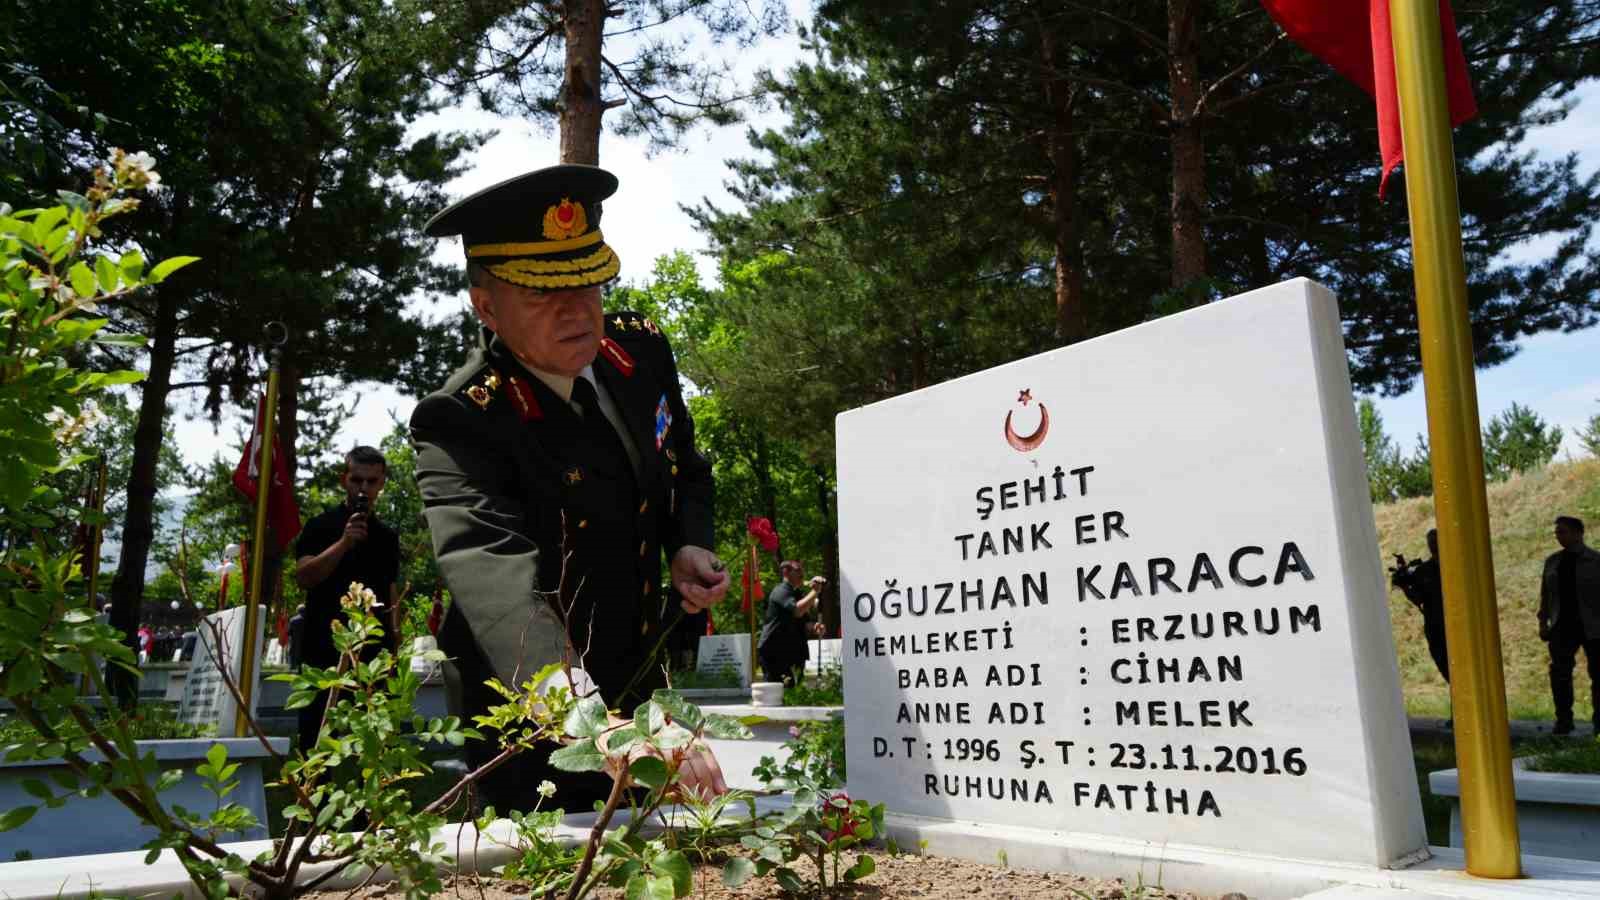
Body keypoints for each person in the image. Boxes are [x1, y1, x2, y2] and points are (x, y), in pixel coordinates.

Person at [411, 164, 731, 812]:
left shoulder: (639, 356)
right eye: (542, 293)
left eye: (588, 282)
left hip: (639, 690)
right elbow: (496, 580)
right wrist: (587, 721)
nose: (577, 310)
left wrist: (687, 544)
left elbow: (685, 468)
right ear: (486, 307)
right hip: (530, 724)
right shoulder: (463, 419)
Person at [292, 446, 402, 752]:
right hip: (323, 650)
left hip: (373, 654)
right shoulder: (319, 526)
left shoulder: (387, 538)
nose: (363, 488)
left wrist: (395, 648)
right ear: (344, 480)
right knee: (317, 739)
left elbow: (391, 595)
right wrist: (343, 542)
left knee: (374, 743)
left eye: (371, 481)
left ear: (381, 484)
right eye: (357, 480)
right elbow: (303, 576)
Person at [1537, 515, 1600, 736]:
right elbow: (1546, 595)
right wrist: (1543, 622)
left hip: (1593, 626)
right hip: (1561, 626)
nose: (1558, 536)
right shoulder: (1553, 562)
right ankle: (1564, 720)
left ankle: (1599, 723)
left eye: (1562, 531)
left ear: (1578, 533)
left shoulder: (1595, 561)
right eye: (1557, 532)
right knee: (1560, 674)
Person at [1391, 528, 1449, 684]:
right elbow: (1417, 598)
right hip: (1437, 626)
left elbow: (1417, 598)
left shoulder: (1424, 571)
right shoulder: (1425, 570)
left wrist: (1405, 585)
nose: (1433, 545)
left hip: (1438, 625)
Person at [759, 560, 826, 686]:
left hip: (793, 651)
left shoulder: (797, 594)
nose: (802, 572)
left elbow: (804, 621)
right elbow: (797, 611)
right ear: (786, 572)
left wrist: (815, 627)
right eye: (798, 570)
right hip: (774, 652)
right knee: (778, 694)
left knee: (794, 693)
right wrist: (815, 591)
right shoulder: (780, 591)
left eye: (802, 569)